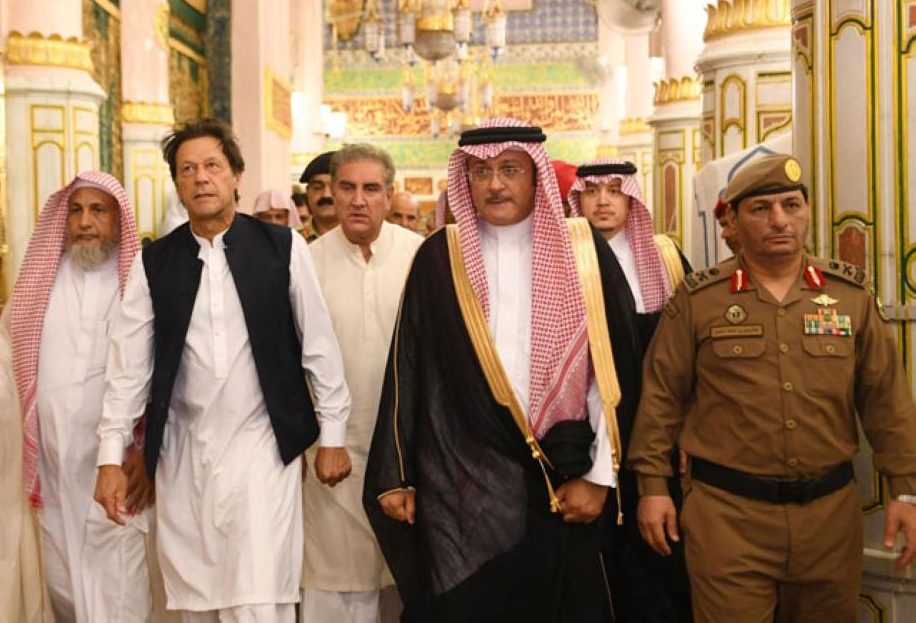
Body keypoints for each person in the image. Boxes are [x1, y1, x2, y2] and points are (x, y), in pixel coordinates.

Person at [364, 117, 641, 622]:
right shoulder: (438, 258)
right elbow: (409, 367)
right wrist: (396, 474)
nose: (494, 183)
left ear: (534, 175)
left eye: (509, 168)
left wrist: (601, 477)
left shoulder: (583, 252)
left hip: (564, 478)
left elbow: (611, 374)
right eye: (480, 170)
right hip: (463, 487)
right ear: (463, 179)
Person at [630, 153, 916, 622]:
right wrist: (653, 486)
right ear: (734, 221)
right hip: (727, 519)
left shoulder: (849, 296)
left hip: (829, 520)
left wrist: (905, 492)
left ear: (807, 211)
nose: (779, 220)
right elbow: (662, 395)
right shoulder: (700, 299)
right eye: (760, 209)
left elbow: (887, 401)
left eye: (791, 205)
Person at [94, 118, 353, 623]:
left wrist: (334, 434)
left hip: (263, 448)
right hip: (184, 455)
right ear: (177, 184)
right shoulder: (155, 263)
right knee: (199, 601)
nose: (201, 178)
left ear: (237, 175)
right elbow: (128, 368)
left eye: (212, 165)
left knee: (260, 596)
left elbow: (318, 348)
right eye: (187, 170)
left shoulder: (283, 248)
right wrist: (109, 455)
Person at [0, 172, 152, 622]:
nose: (84, 222)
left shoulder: (140, 280)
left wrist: (148, 451)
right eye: (76, 210)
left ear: (118, 219)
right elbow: (8, 348)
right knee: (60, 583)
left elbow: (160, 373)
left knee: (119, 586)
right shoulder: (42, 280)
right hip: (54, 467)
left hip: (116, 463)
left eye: (98, 211)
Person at [302, 144, 423, 622]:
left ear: (389, 194)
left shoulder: (419, 255)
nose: (358, 199)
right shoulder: (305, 263)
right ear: (330, 192)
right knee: (336, 584)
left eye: (371, 188)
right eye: (346, 187)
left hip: (406, 456)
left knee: (404, 583)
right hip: (331, 454)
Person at [570, 158, 692, 622]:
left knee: (662, 549)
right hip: (587, 430)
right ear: (576, 198)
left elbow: (688, 352)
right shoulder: (561, 255)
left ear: (632, 199)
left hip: (657, 421)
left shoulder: (663, 256)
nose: (602, 200)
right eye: (592, 191)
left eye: (615, 190)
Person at [299, 151, 339, 241]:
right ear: (307, 192)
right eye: (318, 187)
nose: (326, 195)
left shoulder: (363, 239)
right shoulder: (292, 241)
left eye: (333, 187)